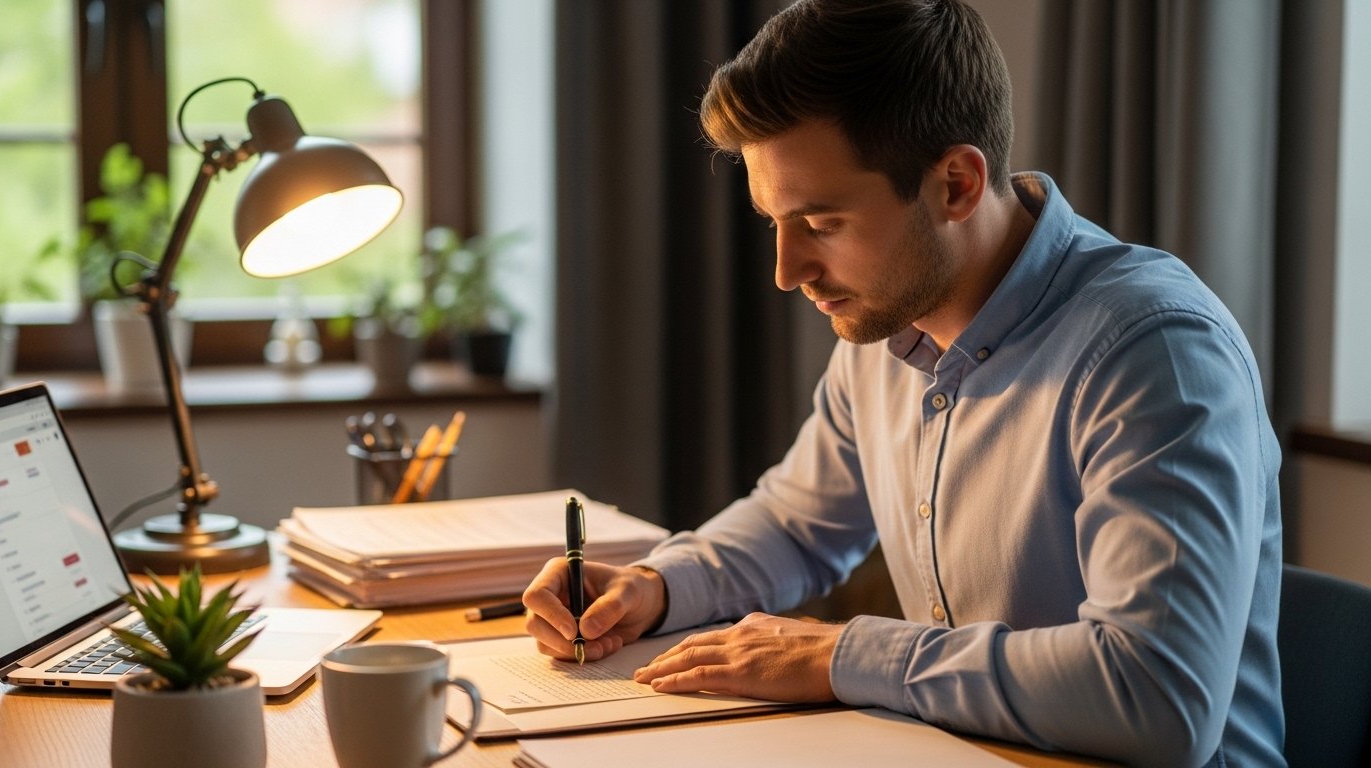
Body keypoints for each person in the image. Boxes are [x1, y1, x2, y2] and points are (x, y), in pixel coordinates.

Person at [522, 1, 1284, 765]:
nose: (788, 273)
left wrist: (842, 656)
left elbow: (1157, 698)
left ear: (956, 184)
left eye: (821, 224)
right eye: (773, 223)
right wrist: (657, 587)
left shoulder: (1154, 353)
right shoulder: (887, 322)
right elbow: (796, 523)